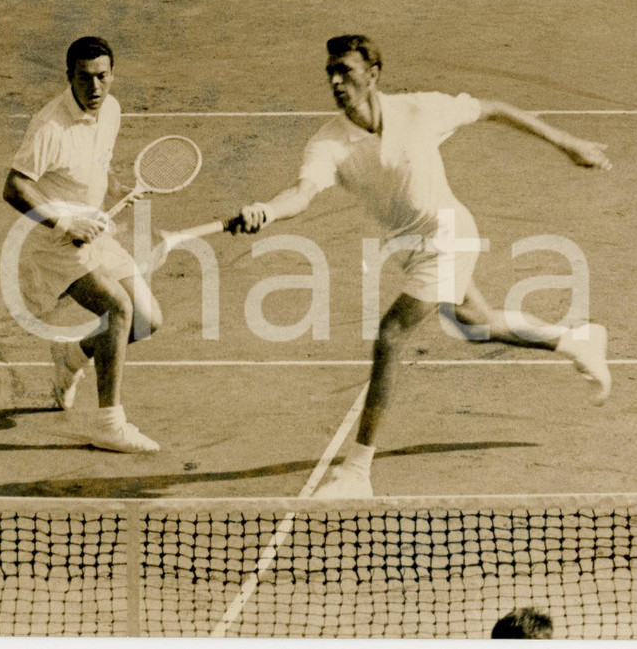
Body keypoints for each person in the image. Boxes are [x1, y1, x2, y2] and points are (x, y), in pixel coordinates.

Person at [235, 35, 612, 497]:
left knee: (391, 335)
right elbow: (301, 193)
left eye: (346, 72)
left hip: (449, 235)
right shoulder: (328, 143)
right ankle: (575, 341)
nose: (336, 82)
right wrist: (266, 211)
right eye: (330, 73)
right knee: (474, 323)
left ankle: (357, 471)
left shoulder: (419, 110)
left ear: (372, 75)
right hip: (411, 248)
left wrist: (567, 142)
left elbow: (493, 107)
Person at [2, 36, 161, 453]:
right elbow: (14, 186)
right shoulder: (50, 127)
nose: (95, 88)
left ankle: (72, 357)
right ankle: (109, 423)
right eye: (85, 78)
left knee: (146, 319)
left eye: (103, 77)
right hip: (56, 244)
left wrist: (118, 191)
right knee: (118, 308)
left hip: (95, 230)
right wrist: (64, 220)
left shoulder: (111, 109)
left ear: (112, 75)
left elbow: (90, 168)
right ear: (69, 76)